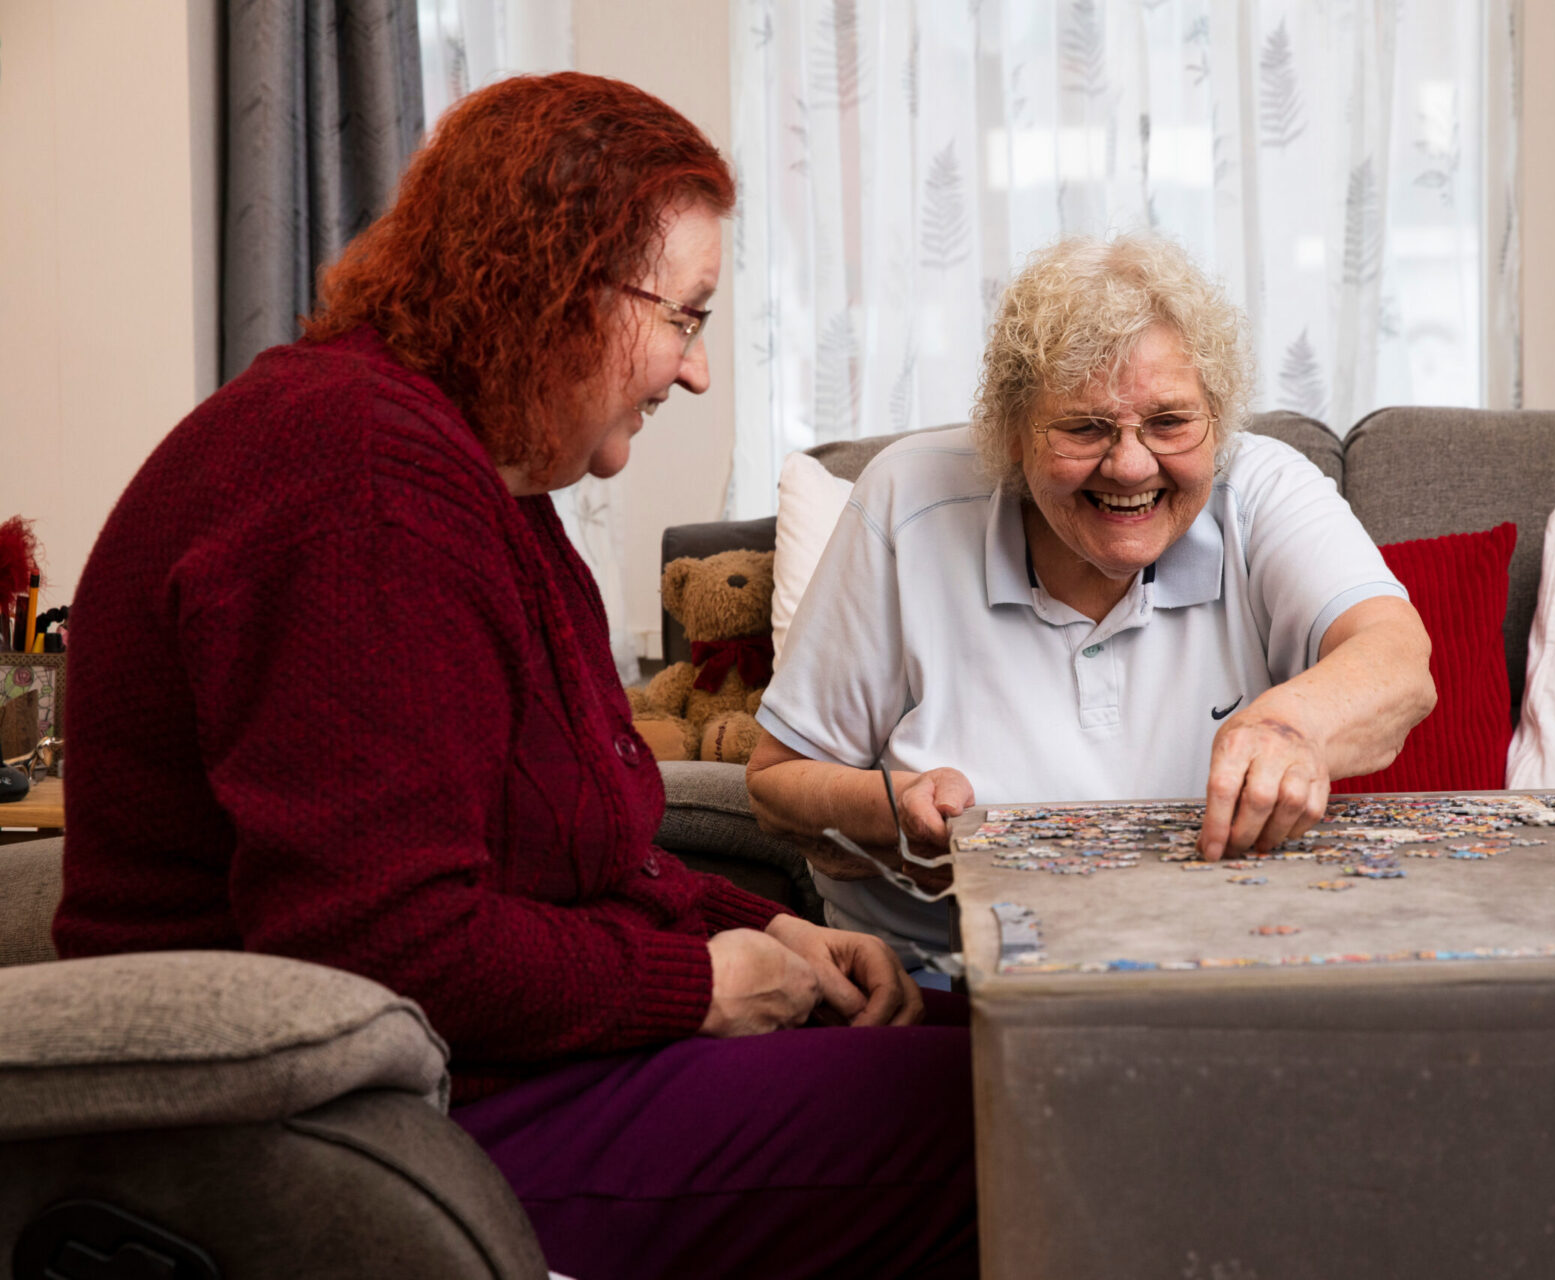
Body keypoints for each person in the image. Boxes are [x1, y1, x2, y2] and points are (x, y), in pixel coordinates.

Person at [55, 73, 975, 1280]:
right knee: (1014, 1112)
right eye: (686, 319)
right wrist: (694, 981)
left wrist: (774, 930)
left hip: (472, 1074)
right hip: (360, 1128)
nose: (695, 374)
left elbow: (585, 856)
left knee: (1016, 1034)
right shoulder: (361, 483)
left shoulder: (476, 476)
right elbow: (384, 941)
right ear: (565, 290)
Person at [747, 234, 1437, 960]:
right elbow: (774, 784)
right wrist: (892, 811)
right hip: (940, 980)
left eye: (1170, 421)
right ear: (1013, 432)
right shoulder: (906, 498)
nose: (1132, 463)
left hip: (1216, 961)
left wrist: (1289, 728)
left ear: (1219, 418)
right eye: (1084, 427)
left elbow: (1397, 660)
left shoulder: (1265, 488)